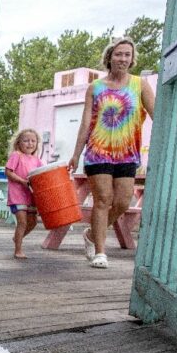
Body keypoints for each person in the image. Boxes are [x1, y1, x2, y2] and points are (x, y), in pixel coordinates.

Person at [68, 37, 155, 268]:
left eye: (127, 55)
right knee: (103, 200)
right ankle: (100, 252)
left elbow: (158, 115)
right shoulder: (95, 87)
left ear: (132, 59)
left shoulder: (140, 85)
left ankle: (91, 234)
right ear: (110, 57)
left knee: (123, 202)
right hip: (98, 152)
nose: (123, 59)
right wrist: (76, 155)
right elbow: (86, 123)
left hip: (127, 153)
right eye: (119, 54)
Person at [5, 128, 43, 259]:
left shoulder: (36, 160)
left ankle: (17, 237)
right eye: (26, 141)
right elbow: (9, 172)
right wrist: (22, 181)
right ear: (19, 143)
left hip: (31, 196)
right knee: (22, 222)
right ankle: (18, 250)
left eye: (33, 141)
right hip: (17, 195)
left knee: (32, 222)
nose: (30, 143)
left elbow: (42, 174)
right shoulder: (16, 155)